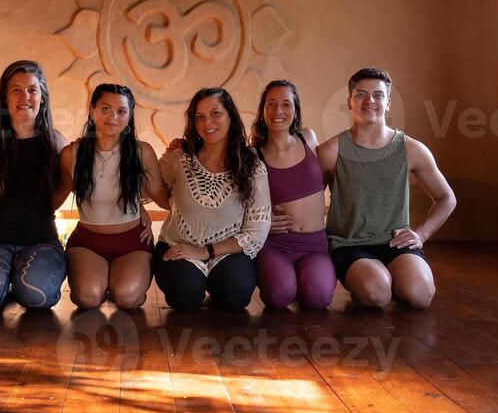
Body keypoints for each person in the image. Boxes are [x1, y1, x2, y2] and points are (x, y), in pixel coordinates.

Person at [318, 67, 456, 309]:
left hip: (395, 242)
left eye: (378, 95)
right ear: (350, 102)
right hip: (349, 244)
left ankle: (395, 279)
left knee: (420, 296)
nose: (369, 100)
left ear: (388, 102)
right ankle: (372, 281)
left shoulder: (411, 149)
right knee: (377, 293)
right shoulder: (331, 151)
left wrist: (421, 234)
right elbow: (307, 202)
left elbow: (446, 198)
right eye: (360, 94)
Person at [0, 60, 69, 310]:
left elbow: (61, 191)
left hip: (40, 240)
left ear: (43, 97)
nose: (24, 96)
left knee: (38, 297)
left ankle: (16, 278)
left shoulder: (55, 142)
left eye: (32, 89)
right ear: (4, 97)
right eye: (16, 90)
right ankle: (3, 278)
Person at [154, 87, 270, 311]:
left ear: (230, 116)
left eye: (215, 113)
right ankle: (195, 287)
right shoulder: (179, 158)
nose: (208, 122)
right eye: (200, 117)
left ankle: (214, 288)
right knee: (185, 295)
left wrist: (205, 251)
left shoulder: (252, 165)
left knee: (235, 294)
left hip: (228, 250)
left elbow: (256, 232)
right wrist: (139, 214)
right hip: (178, 245)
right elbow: (143, 190)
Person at [59, 84, 164, 310]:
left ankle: (124, 285)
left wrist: (180, 157)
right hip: (88, 243)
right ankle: (101, 281)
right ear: (92, 110)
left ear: (129, 115)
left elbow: (166, 199)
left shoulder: (141, 151)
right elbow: (55, 198)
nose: (113, 117)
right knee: (88, 298)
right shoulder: (71, 154)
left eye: (121, 111)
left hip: (133, 242)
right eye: (105, 108)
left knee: (126, 297)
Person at [252, 80, 334, 309]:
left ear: (296, 110)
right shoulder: (253, 155)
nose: (278, 111)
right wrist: (264, 221)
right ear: (263, 111)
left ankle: (304, 282)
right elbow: (237, 202)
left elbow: (324, 179)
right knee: (280, 296)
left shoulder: (309, 138)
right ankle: (287, 282)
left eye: (286, 104)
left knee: (317, 299)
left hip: (314, 244)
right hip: (275, 244)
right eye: (272, 104)